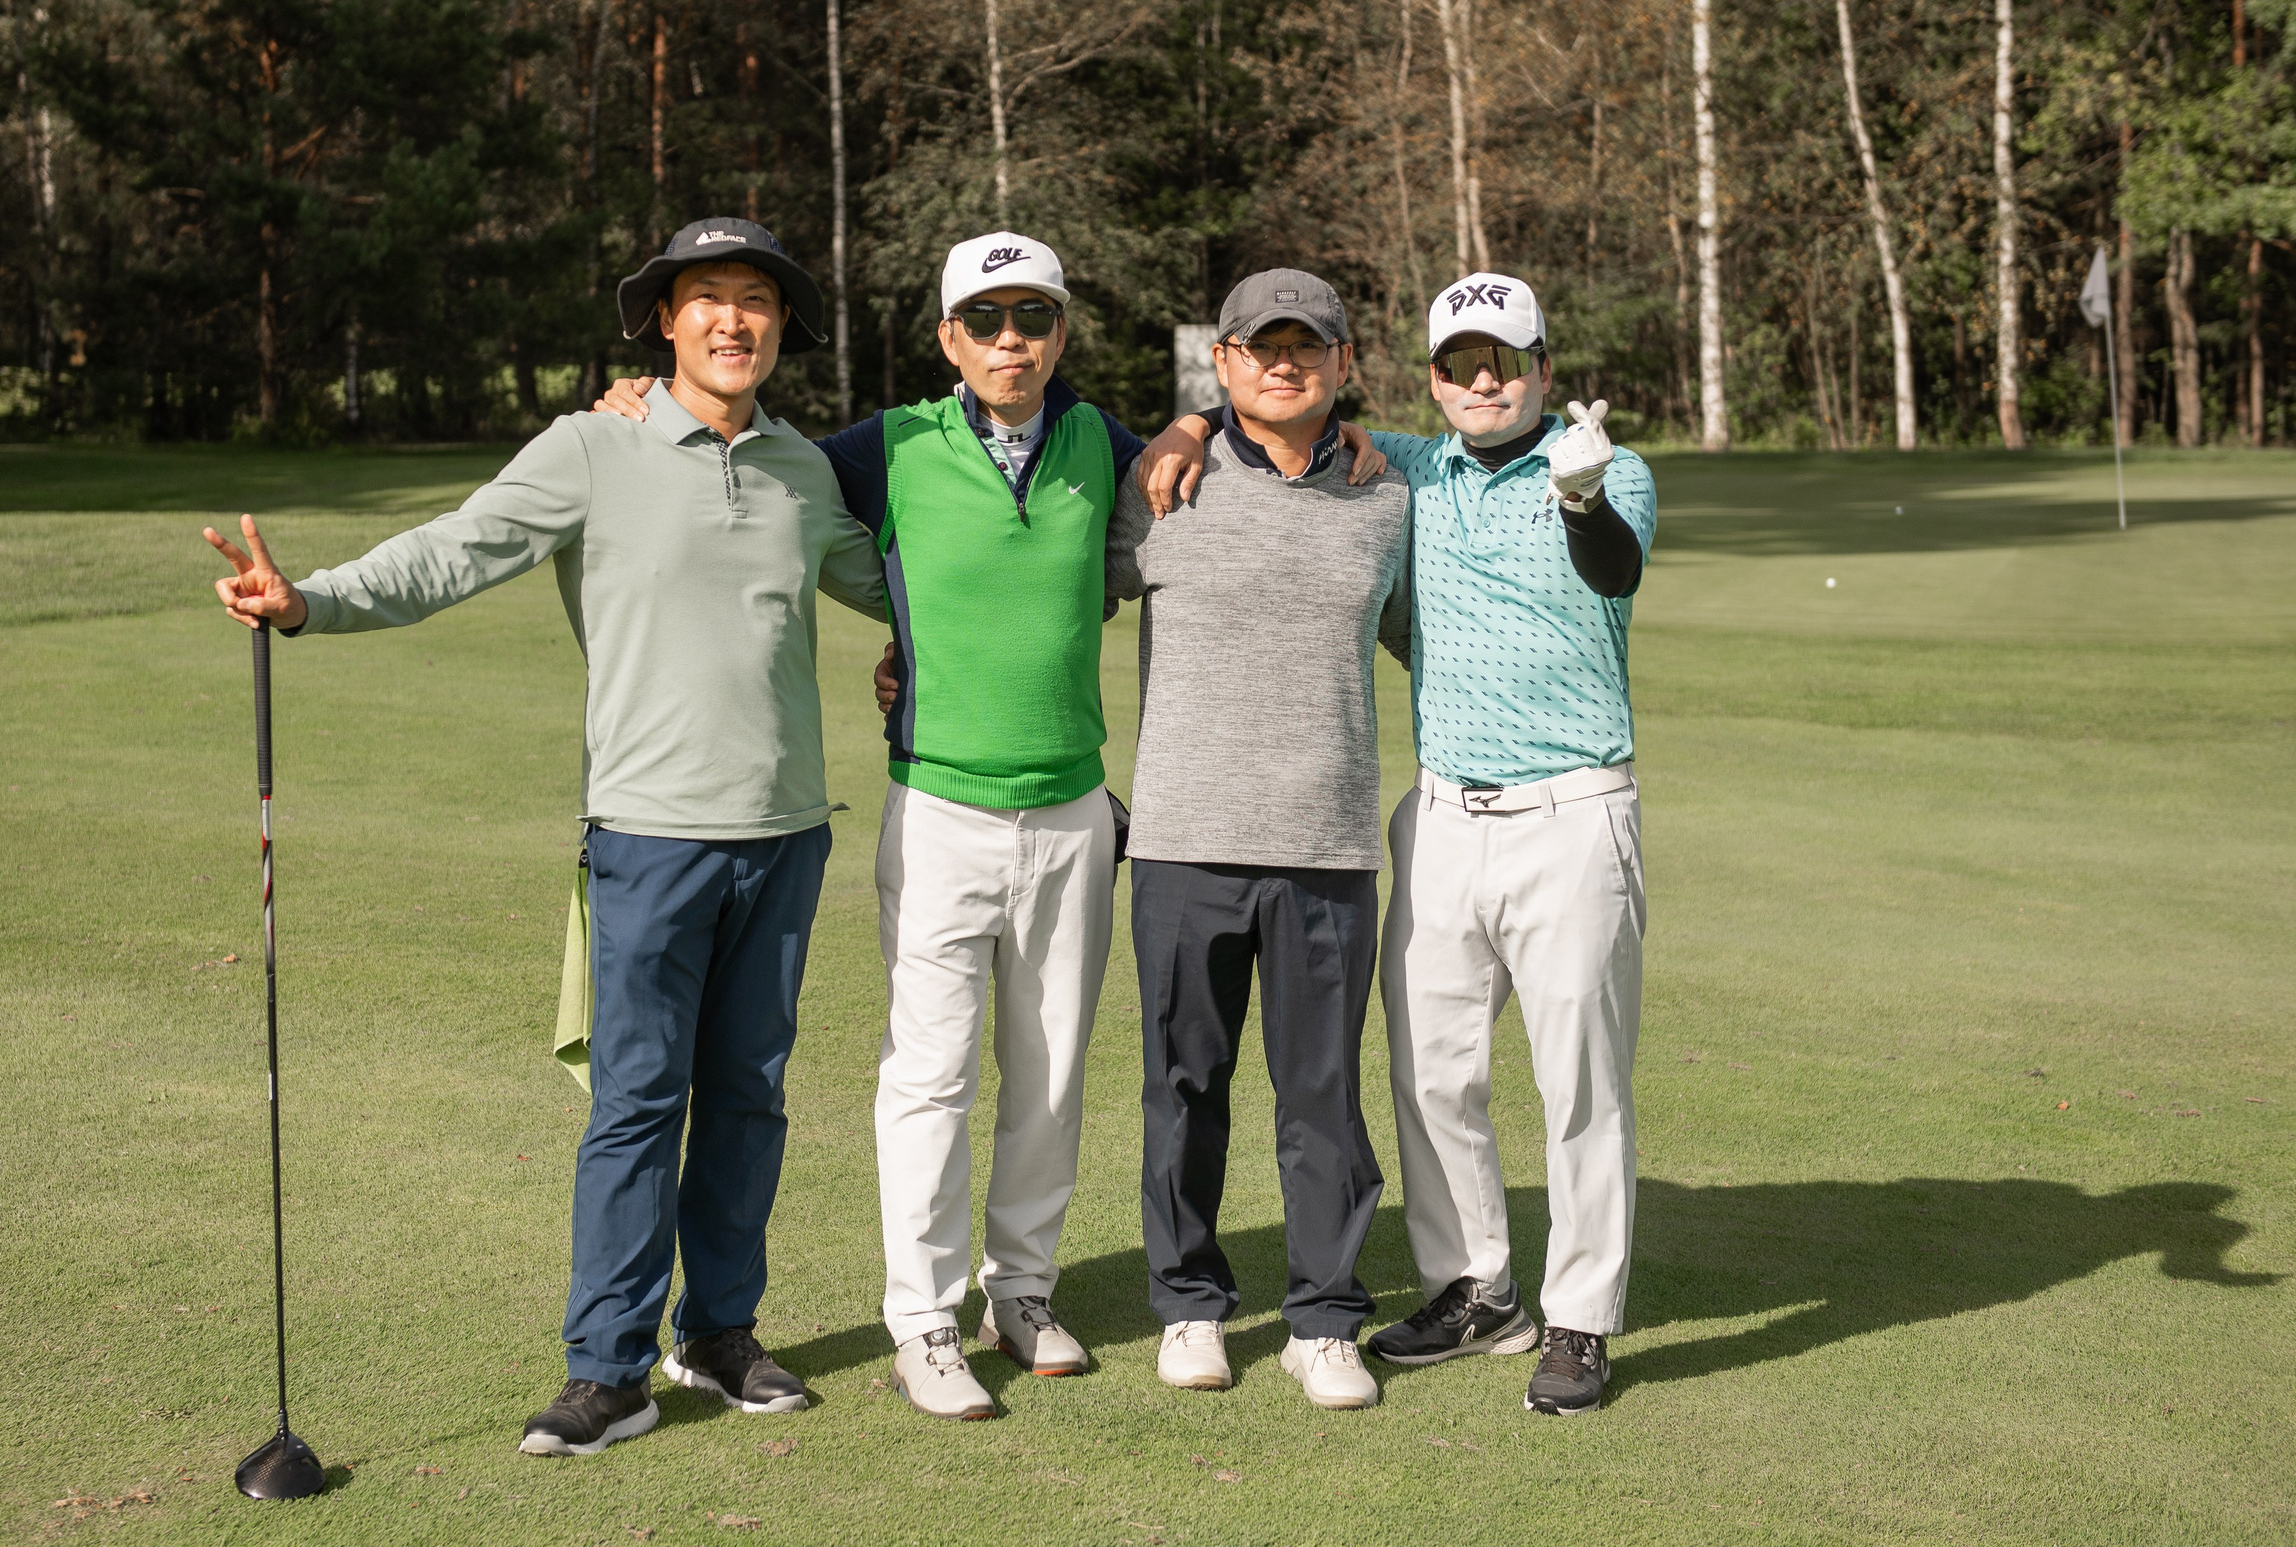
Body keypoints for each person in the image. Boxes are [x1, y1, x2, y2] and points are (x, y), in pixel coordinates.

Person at [597, 232, 1388, 1419]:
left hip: (1071, 809)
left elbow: (1228, 444)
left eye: (1031, 318)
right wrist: (642, 400)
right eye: (984, 320)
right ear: (948, 336)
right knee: (929, 1074)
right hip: (938, 806)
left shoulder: (1107, 444)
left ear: (1060, 333)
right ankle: (923, 1320)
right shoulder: (885, 445)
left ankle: (1019, 1289)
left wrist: (1185, 422)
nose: (1008, 339)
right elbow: (749, 461)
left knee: (1052, 1072)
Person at [203, 218, 890, 1459]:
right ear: (664, 321)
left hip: (787, 834)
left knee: (748, 1098)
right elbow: (452, 551)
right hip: (648, 837)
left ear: (781, 325)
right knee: (637, 1102)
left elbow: (901, 584)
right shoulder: (591, 445)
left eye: (755, 298)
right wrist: (310, 602)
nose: (732, 319)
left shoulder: (801, 467)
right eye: (706, 297)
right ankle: (609, 1367)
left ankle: (719, 1332)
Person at [1148, 270, 1654, 1415]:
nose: (1484, 379)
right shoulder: (1406, 470)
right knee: (1429, 1074)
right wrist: (1189, 422)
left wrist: (1581, 500)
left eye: (1505, 359)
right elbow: (1280, 418)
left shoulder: (1606, 467)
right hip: (1439, 815)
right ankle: (1475, 1287)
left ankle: (1579, 1316)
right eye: (1460, 362)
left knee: (1580, 1080)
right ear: (1429, 378)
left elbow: (1614, 568)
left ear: (1541, 366)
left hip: (1573, 811)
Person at [1104, 270, 1410, 1411]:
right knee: (1183, 1084)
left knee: (1322, 1094)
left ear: (1343, 362)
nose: (1284, 363)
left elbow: (1428, 633)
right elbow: (1050, 592)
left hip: (1328, 843)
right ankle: (1190, 1303)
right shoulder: (1162, 481)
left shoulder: (1388, 493)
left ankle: (1324, 1318)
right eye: (1260, 346)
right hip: (1185, 838)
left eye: (1307, 346)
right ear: (1223, 361)